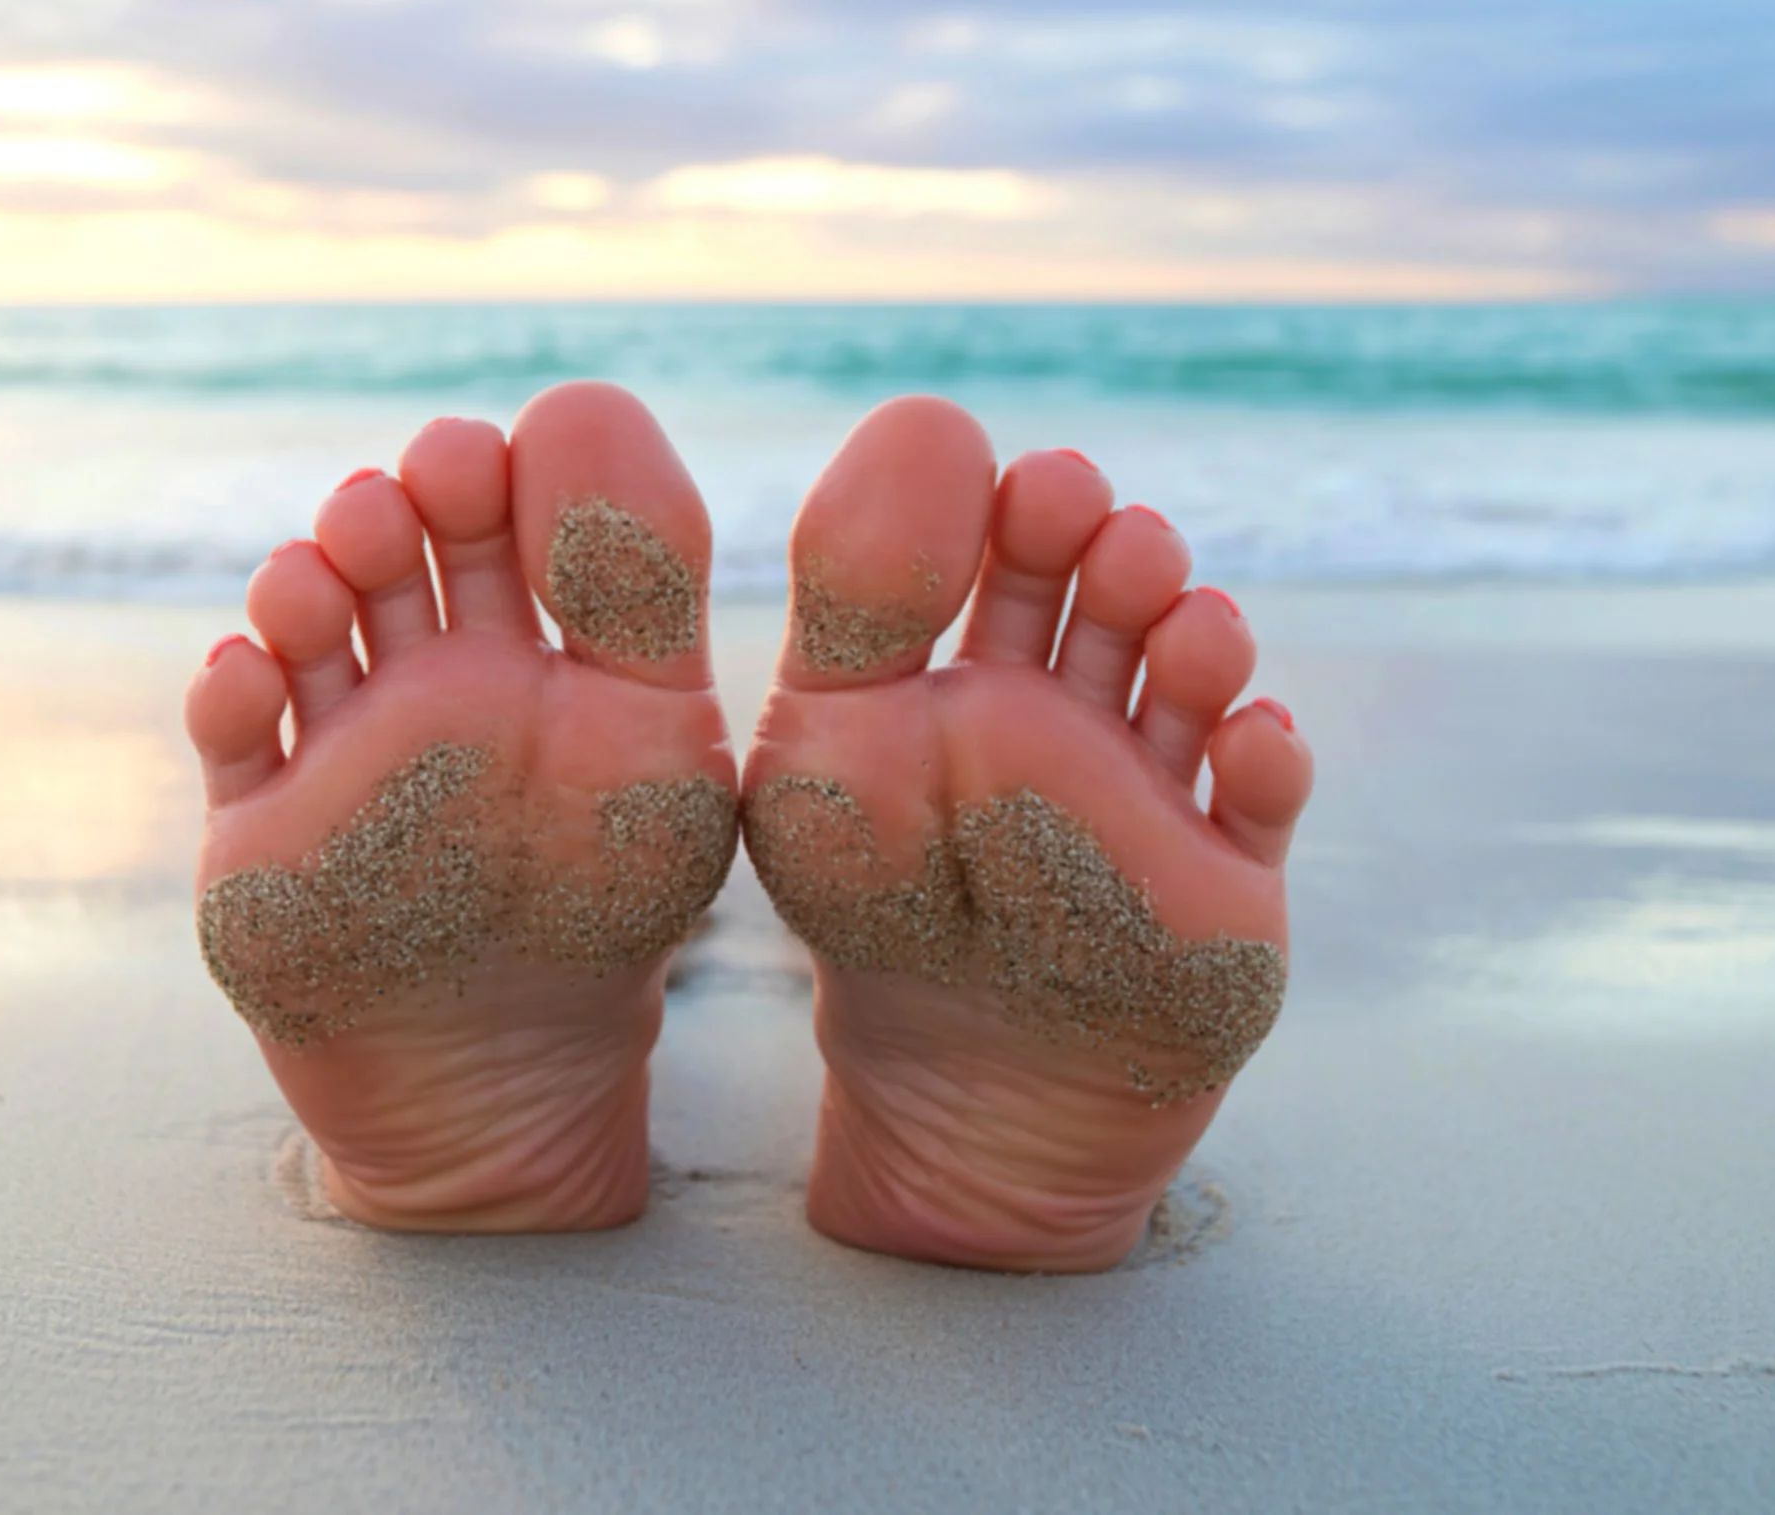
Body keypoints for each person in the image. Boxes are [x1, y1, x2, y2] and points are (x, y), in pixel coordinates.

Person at [184, 383, 1312, 1274]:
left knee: (656, 916)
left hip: (594, 904)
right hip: (842, 893)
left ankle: (541, 1041)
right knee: (798, 903)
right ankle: (966, 1121)